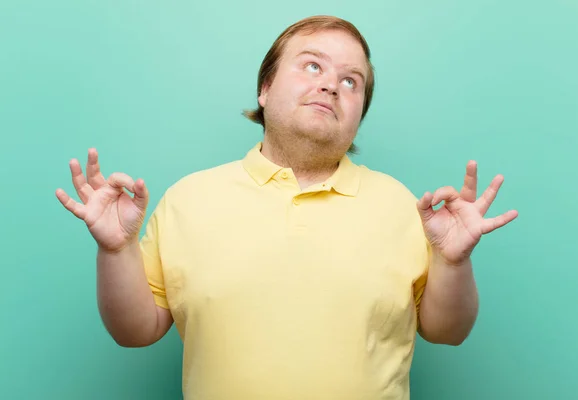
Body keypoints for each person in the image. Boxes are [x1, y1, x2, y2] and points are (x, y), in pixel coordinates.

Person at [55, 15, 518, 400]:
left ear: (358, 113)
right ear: (265, 87)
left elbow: (447, 331)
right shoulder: (188, 199)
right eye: (312, 66)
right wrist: (115, 251)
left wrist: (455, 261)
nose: (332, 85)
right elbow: (135, 331)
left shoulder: (404, 206)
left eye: (351, 81)